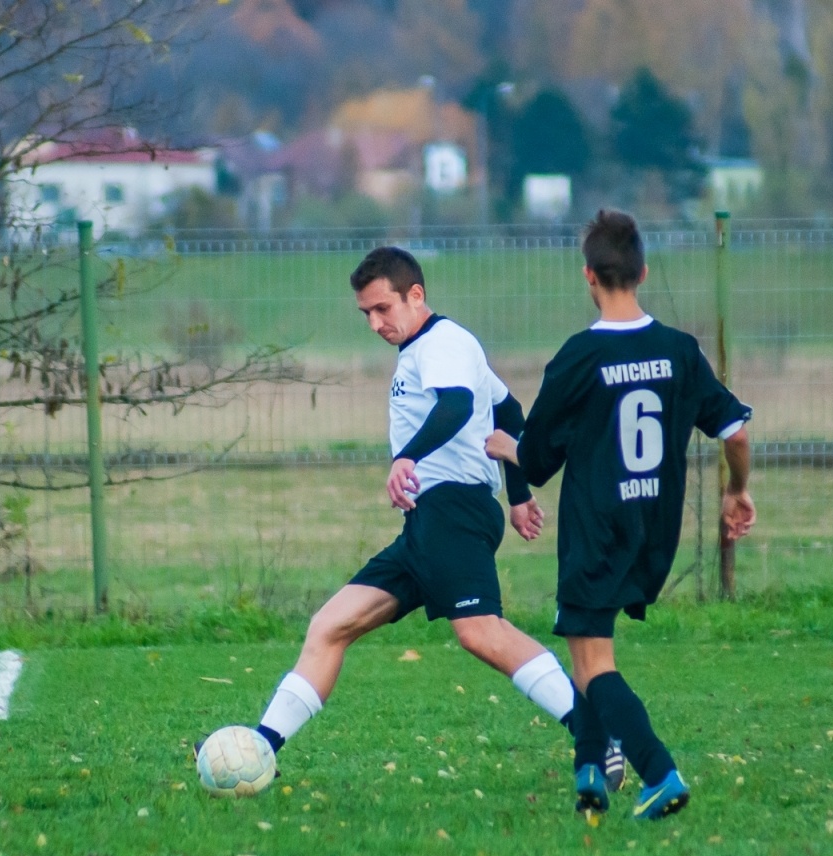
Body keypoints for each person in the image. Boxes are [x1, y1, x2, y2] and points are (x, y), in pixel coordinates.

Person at [247, 246, 622, 788]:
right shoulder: (432, 348)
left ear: (416, 295)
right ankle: (259, 747)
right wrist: (518, 495)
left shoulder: (443, 342)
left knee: (481, 632)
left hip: (454, 510)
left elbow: (457, 406)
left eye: (383, 309)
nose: (375, 324)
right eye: (366, 314)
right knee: (330, 626)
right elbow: (508, 411)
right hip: (429, 521)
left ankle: (597, 735)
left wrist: (408, 457)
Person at [486, 209, 755, 820]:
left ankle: (660, 773)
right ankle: (589, 771)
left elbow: (538, 458)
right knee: (586, 642)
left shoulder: (580, 357)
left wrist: (507, 447)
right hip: (653, 528)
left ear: (588, 276)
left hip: (597, 528)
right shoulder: (679, 351)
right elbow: (735, 432)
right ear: (643, 272)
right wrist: (737, 490)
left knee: (592, 663)